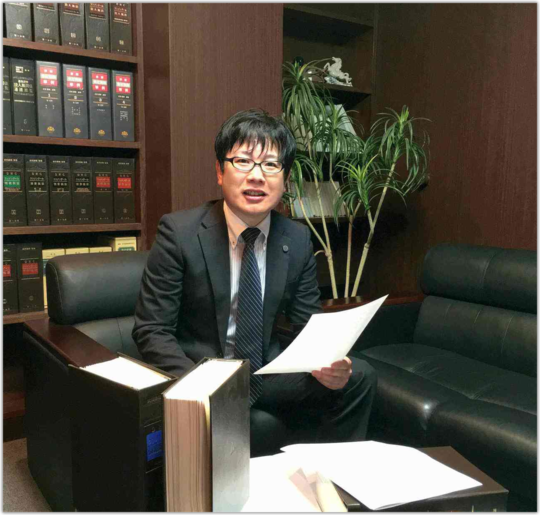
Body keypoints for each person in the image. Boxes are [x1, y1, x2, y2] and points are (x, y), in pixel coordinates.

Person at [132, 108, 377, 455]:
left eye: (271, 164)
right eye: (243, 161)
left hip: (265, 372)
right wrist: (199, 386)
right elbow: (152, 330)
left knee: (359, 376)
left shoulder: (296, 239)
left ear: (285, 178)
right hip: (205, 372)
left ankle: (332, 474)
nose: (257, 176)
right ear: (220, 171)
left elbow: (307, 325)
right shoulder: (180, 233)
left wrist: (331, 362)